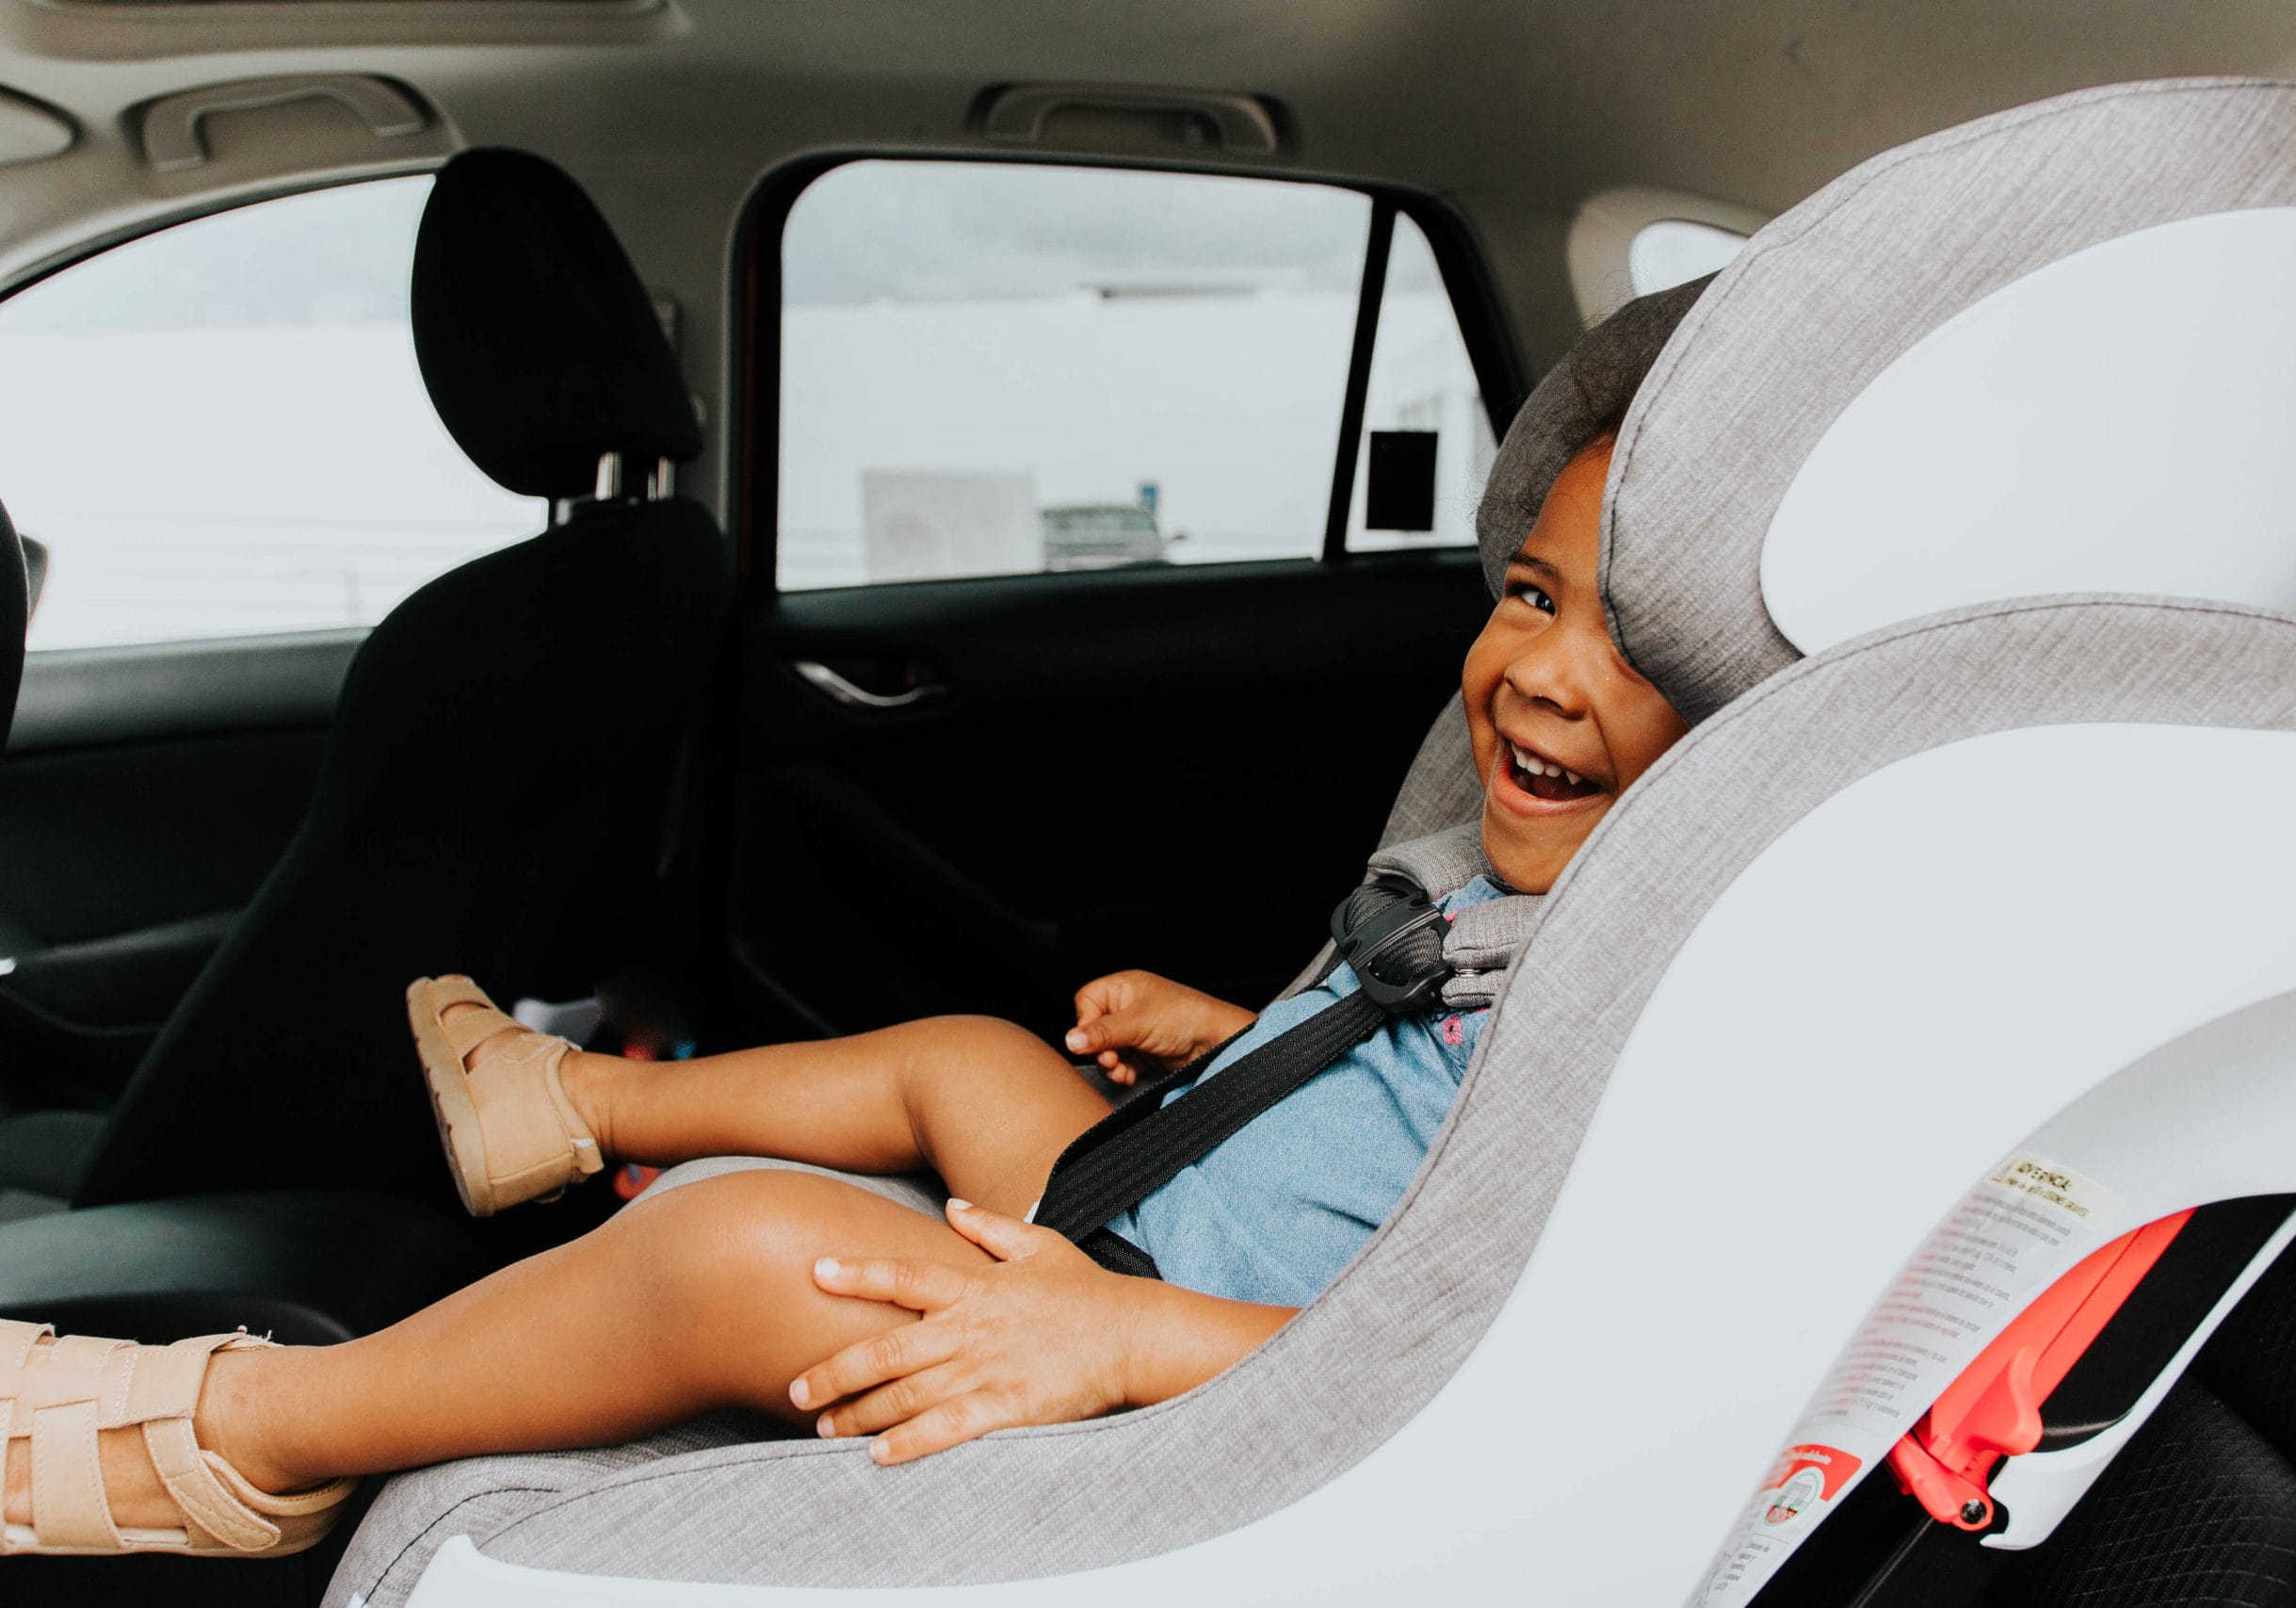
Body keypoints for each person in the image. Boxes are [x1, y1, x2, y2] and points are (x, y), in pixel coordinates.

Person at [0, 433, 1687, 1559]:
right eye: (1532, 595)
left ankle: (247, 1439)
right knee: (966, 1054)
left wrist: (1132, 1336)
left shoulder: (1682, 982)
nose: (1541, 666)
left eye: (1636, 647)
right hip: (1170, 1205)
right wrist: (1237, 1034)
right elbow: (1393, 1087)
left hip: (1197, 1352)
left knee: (736, 1252)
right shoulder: (1524, 868)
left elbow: (1519, 1338)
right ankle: (567, 1103)